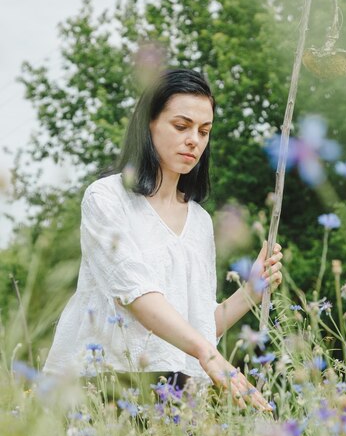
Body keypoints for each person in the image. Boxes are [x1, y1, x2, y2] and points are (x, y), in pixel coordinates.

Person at [43, 68, 283, 411]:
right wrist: (208, 353)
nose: (194, 141)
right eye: (181, 126)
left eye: (204, 131)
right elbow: (137, 296)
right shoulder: (107, 198)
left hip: (175, 390)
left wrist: (250, 292)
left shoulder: (199, 221)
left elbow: (198, 326)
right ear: (148, 124)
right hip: (103, 384)